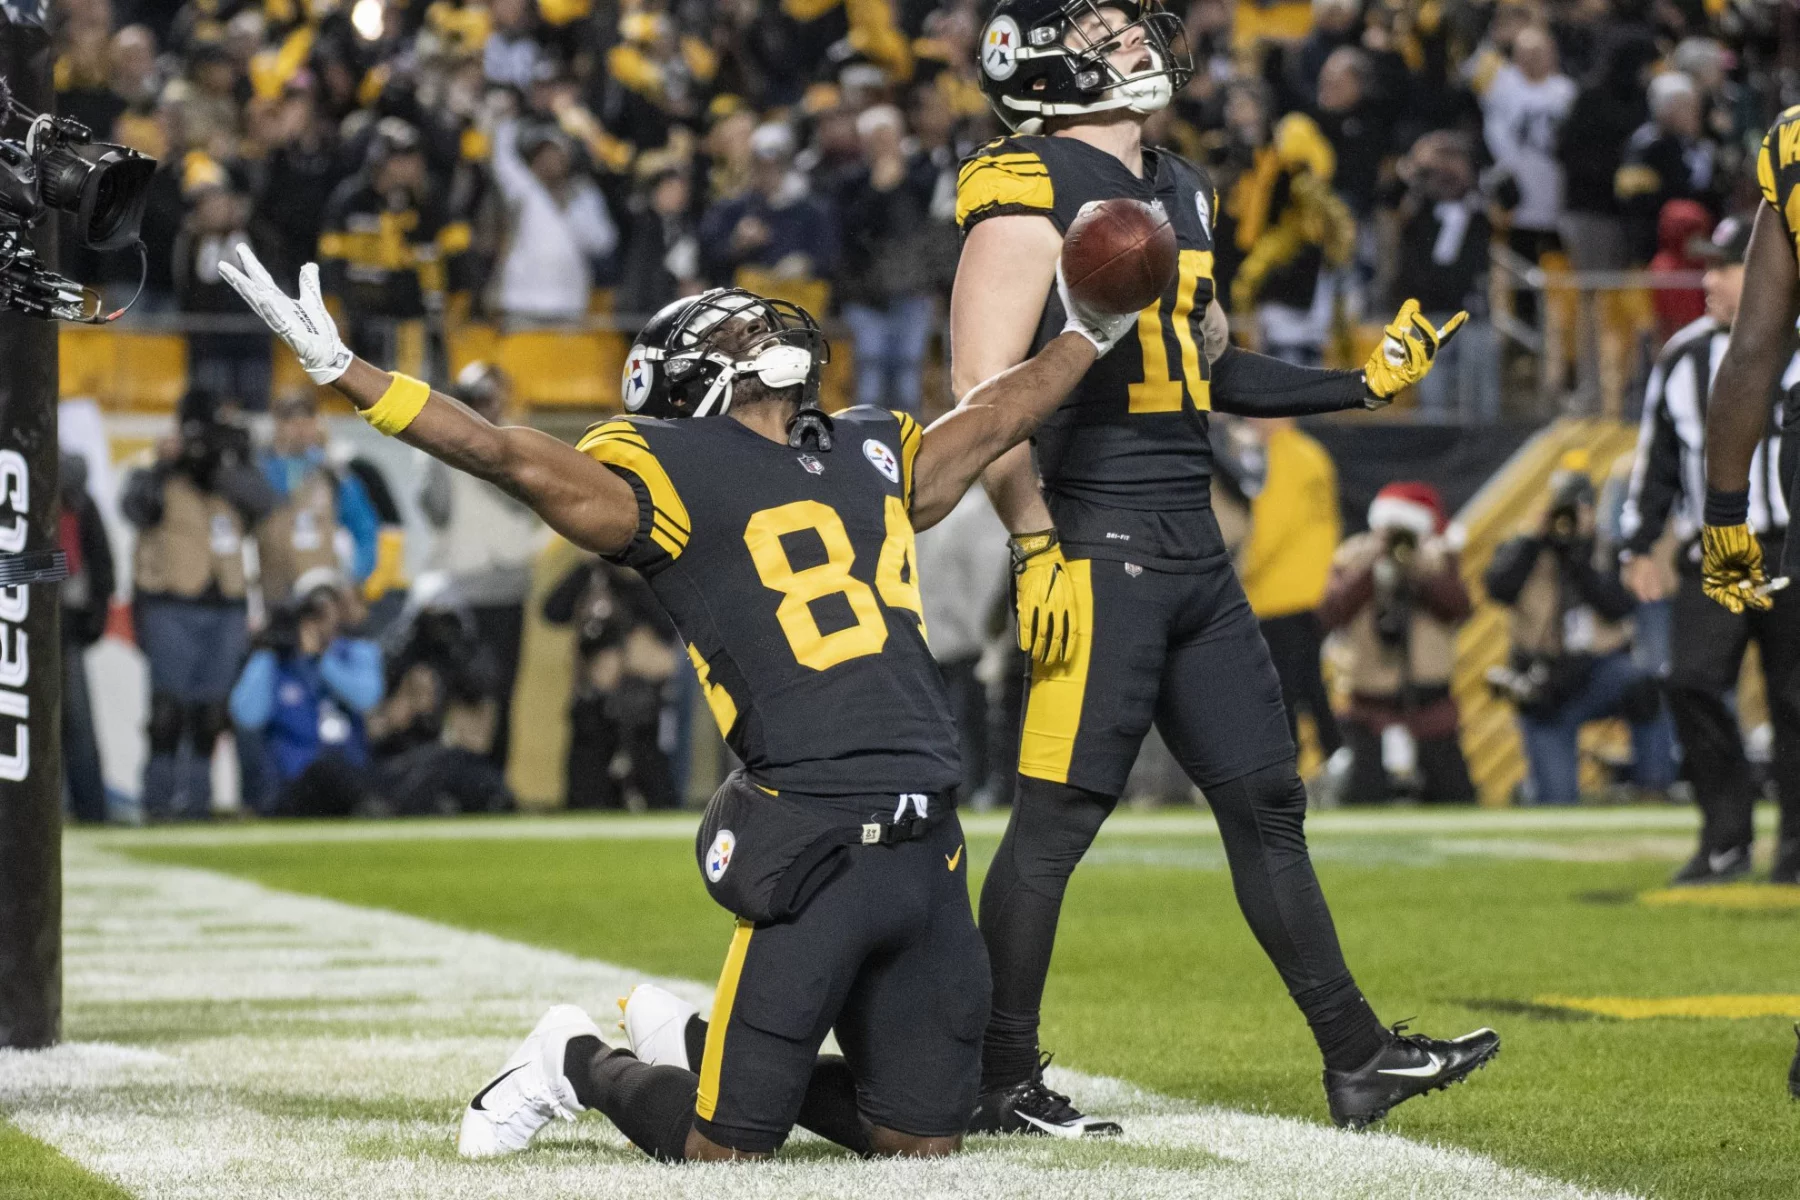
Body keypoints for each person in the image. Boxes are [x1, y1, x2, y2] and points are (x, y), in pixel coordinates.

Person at [219, 233, 1136, 1163]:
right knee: (725, 1153)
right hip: (813, 830)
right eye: (734, 337)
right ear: (696, 385)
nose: (760, 335)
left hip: (927, 835)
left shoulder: (870, 445)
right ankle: (572, 1061)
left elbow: (991, 418)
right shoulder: (664, 472)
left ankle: (699, 1046)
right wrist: (348, 371)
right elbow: (506, 454)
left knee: (920, 1142)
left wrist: (1089, 332)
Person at [955, 0, 1494, 1137]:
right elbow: (982, 403)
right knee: (1056, 820)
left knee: (1268, 802)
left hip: (1191, 544)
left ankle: (1356, 1058)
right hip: (1096, 541)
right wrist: (1035, 541)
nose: (1140, 43)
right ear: (1045, 65)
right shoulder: (1019, 185)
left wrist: (1360, 383)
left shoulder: (1184, 185)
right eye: (1107, 34)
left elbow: (1203, 364)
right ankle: (998, 1079)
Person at [1625, 216, 1800, 884]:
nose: (1709, 279)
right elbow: (1658, 461)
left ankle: (1797, 848)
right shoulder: (1682, 357)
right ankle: (1727, 834)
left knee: (1796, 701)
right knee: (1690, 679)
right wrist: (1639, 542)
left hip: (1791, 546)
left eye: (1725, 266)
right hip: (1716, 550)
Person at [121, 388, 275, 820]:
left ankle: (197, 806)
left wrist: (221, 465)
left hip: (225, 601)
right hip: (170, 601)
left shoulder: (233, 463)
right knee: (168, 712)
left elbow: (264, 503)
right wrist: (169, 462)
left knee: (211, 713)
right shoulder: (156, 464)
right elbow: (135, 507)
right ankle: (158, 803)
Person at [1483, 463, 1675, 806]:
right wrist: (1535, 540)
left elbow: (1617, 605)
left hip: (1597, 673)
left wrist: (1579, 558)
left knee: (1645, 685)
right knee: (1556, 801)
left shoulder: (1606, 549)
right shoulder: (1526, 547)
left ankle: (1654, 786)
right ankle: (1533, 792)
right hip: (1544, 683)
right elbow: (1498, 588)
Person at [416, 362, 547, 768]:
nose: (484, 408)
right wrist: (436, 443)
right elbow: (434, 508)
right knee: (458, 688)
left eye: (489, 399)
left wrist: (482, 449)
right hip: (463, 587)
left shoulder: (520, 443)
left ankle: (494, 781)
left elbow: (522, 497)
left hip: (507, 587)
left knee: (503, 690)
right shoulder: (448, 447)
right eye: (474, 400)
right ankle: (455, 775)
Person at [1319, 483, 1475, 805]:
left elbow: (1459, 608)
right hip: (1368, 705)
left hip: (1429, 704)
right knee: (1362, 800)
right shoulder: (1354, 555)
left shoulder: (1436, 557)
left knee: (1454, 798)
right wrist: (1368, 567)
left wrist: (1419, 570)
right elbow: (1331, 613)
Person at [229, 569, 384, 816]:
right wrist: (270, 651)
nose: (323, 619)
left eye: (330, 608)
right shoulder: (276, 662)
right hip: (295, 783)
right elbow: (247, 715)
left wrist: (324, 661)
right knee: (321, 771)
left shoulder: (354, 653)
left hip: (350, 774)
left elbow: (367, 698)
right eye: (314, 612)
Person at [1234, 418, 1343, 765]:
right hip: (1312, 587)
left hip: (1278, 592)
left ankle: (1292, 761)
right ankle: (1334, 753)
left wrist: (1239, 569)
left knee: (1283, 688)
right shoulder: (1314, 453)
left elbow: (1271, 524)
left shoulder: (1281, 457)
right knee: (1309, 680)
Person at [542, 557, 681, 810]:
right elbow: (551, 611)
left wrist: (627, 576)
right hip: (593, 708)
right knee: (585, 796)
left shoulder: (649, 578)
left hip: (641, 710)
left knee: (655, 795)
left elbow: (668, 628)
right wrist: (588, 565)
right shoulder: (590, 578)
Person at [256, 391, 381, 610]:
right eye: (291, 422)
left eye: (307, 421)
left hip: (323, 594)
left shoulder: (333, 474)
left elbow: (364, 528)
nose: (300, 429)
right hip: (272, 592)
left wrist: (355, 576)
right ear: (277, 424)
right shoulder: (258, 471)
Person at [488, 116, 619, 324]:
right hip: (523, 303)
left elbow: (603, 242)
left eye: (554, 154)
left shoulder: (584, 194)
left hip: (569, 304)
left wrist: (570, 210)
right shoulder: (525, 191)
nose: (548, 161)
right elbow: (502, 161)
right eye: (541, 155)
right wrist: (508, 120)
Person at [60, 453, 115, 825]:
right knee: (77, 723)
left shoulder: (80, 505)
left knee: (77, 723)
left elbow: (100, 560)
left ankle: (91, 810)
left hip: (64, 628)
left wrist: (95, 615)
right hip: (39, 624)